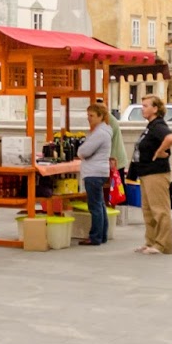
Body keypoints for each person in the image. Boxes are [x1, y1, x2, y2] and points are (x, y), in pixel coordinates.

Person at [129, 95, 172, 255]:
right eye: (142, 105)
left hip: (156, 173)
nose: (142, 108)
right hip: (145, 172)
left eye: (145, 106)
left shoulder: (158, 125)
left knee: (159, 210)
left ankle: (163, 244)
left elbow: (171, 137)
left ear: (155, 109)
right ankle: (151, 241)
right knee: (148, 210)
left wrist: (160, 151)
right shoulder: (150, 126)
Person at [76, 102, 113, 247]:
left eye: (91, 115)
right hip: (100, 171)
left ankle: (95, 236)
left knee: (95, 206)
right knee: (100, 204)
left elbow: (84, 151)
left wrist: (80, 151)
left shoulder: (99, 133)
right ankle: (102, 235)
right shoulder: (104, 131)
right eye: (88, 115)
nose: (88, 118)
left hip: (93, 171)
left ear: (100, 116)